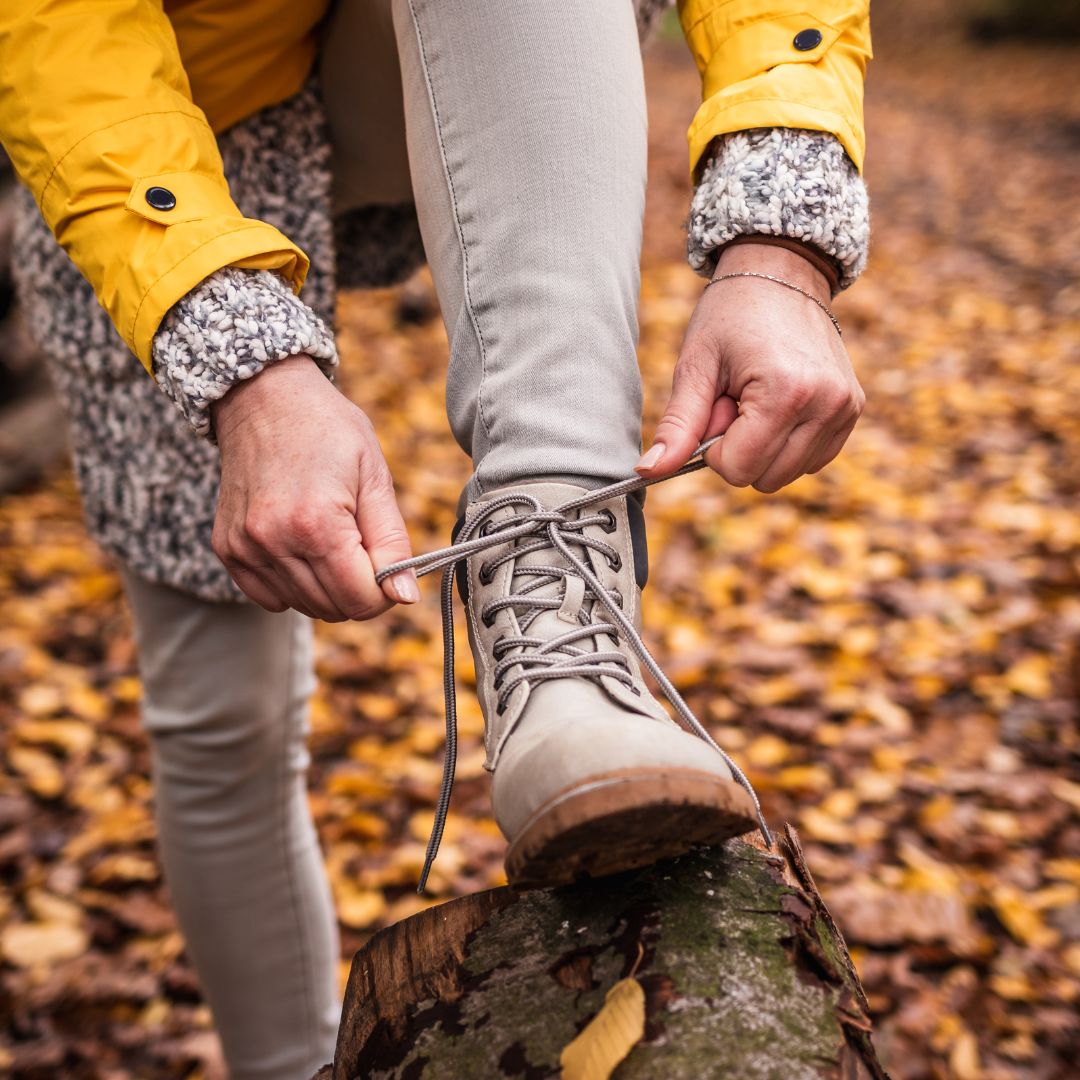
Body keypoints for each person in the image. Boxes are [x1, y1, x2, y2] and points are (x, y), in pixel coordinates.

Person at [0, 0, 871, 1075]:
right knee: (220, 710)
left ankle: (559, 616)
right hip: (136, 128)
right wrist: (239, 369)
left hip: (497, 50)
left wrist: (782, 245)